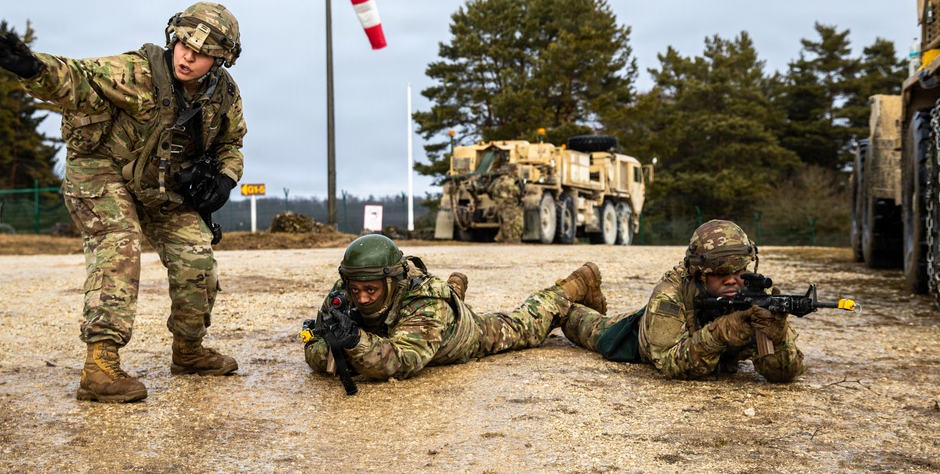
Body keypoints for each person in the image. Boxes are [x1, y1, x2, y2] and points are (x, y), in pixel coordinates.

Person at [0, 2, 246, 403]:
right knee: (119, 243)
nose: (189, 55)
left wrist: (226, 179)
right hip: (101, 171)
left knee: (197, 257)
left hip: (159, 186)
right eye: (184, 44)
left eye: (204, 51)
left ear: (221, 59)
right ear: (173, 39)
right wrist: (33, 68)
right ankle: (100, 366)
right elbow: (77, 77)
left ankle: (189, 351)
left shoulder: (223, 96)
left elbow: (231, 143)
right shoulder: (136, 72)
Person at [301, 234, 607, 381]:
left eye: (371, 290)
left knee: (524, 325)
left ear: (392, 282)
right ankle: (455, 289)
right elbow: (312, 348)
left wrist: (351, 343)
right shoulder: (345, 290)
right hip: (420, 324)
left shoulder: (427, 302)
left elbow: (401, 361)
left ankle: (575, 285)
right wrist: (335, 349)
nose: (362, 298)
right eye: (356, 290)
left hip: (459, 335)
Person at [561, 219, 805, 383]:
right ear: (699, 273)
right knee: (581, 323)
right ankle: (579, 293)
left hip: (690, 341)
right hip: (636, 337)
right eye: (720, 274)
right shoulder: (670, 293)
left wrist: (778, 336)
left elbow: (783, 374)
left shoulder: (753, 295)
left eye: (739, 271)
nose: (732, 281)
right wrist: (720, 333)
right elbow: (667, 363)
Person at [490, 162, 524, 243]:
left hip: (502, 203)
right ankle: (508, 238)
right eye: (516, 170)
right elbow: (515, 190)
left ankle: (500, 236)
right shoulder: (508, 180)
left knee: (506, 220)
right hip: (506, 203)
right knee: (509, 221)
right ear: (512, 170)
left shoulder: (499, 180)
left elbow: (493, 191)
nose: (518, 171)